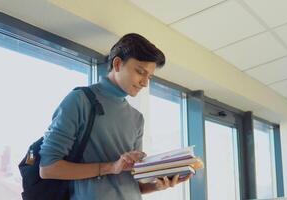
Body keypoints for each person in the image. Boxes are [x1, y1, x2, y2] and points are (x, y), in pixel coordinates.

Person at [39, 33, 191, 200]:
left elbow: (130, 183)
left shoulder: (136, 118)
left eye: (149, 76)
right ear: (117, 64)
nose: (145, 83)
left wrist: (157, 185)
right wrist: (111, 167)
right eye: (140, 72)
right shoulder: (80, 100)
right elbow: (48, 168)